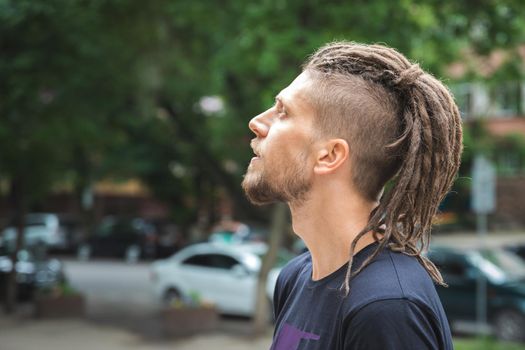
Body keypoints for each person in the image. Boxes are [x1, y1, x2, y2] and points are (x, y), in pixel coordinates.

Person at [241, 42, 462, 350]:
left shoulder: (387, 308)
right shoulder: (294, 278)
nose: (257, 122)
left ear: (330, 155)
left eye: (283, 112)